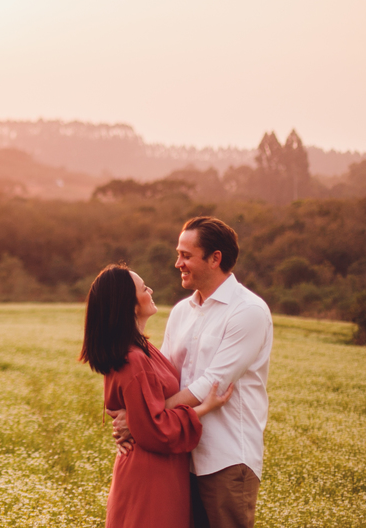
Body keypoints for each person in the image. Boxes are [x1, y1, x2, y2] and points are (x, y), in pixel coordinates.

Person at [112, 216, 273, 528]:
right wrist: (143, 418)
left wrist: (142, 420)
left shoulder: (248, 311)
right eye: (178, 254)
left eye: (186, 256)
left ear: (215, 259)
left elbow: (211, 386)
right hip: (179, 455)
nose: (178, 263)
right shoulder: (182, 312)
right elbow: (165, 380)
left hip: (226, 457)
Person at [81, 264, 233, 528]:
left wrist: (135, 418)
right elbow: (155, 428)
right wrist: (205, 407)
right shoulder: (133, 359)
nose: (150, 290)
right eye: (143, 288)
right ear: (129, 304)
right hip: (151, 473)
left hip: (154, 468)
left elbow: (145, 414)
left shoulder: (140, 350)